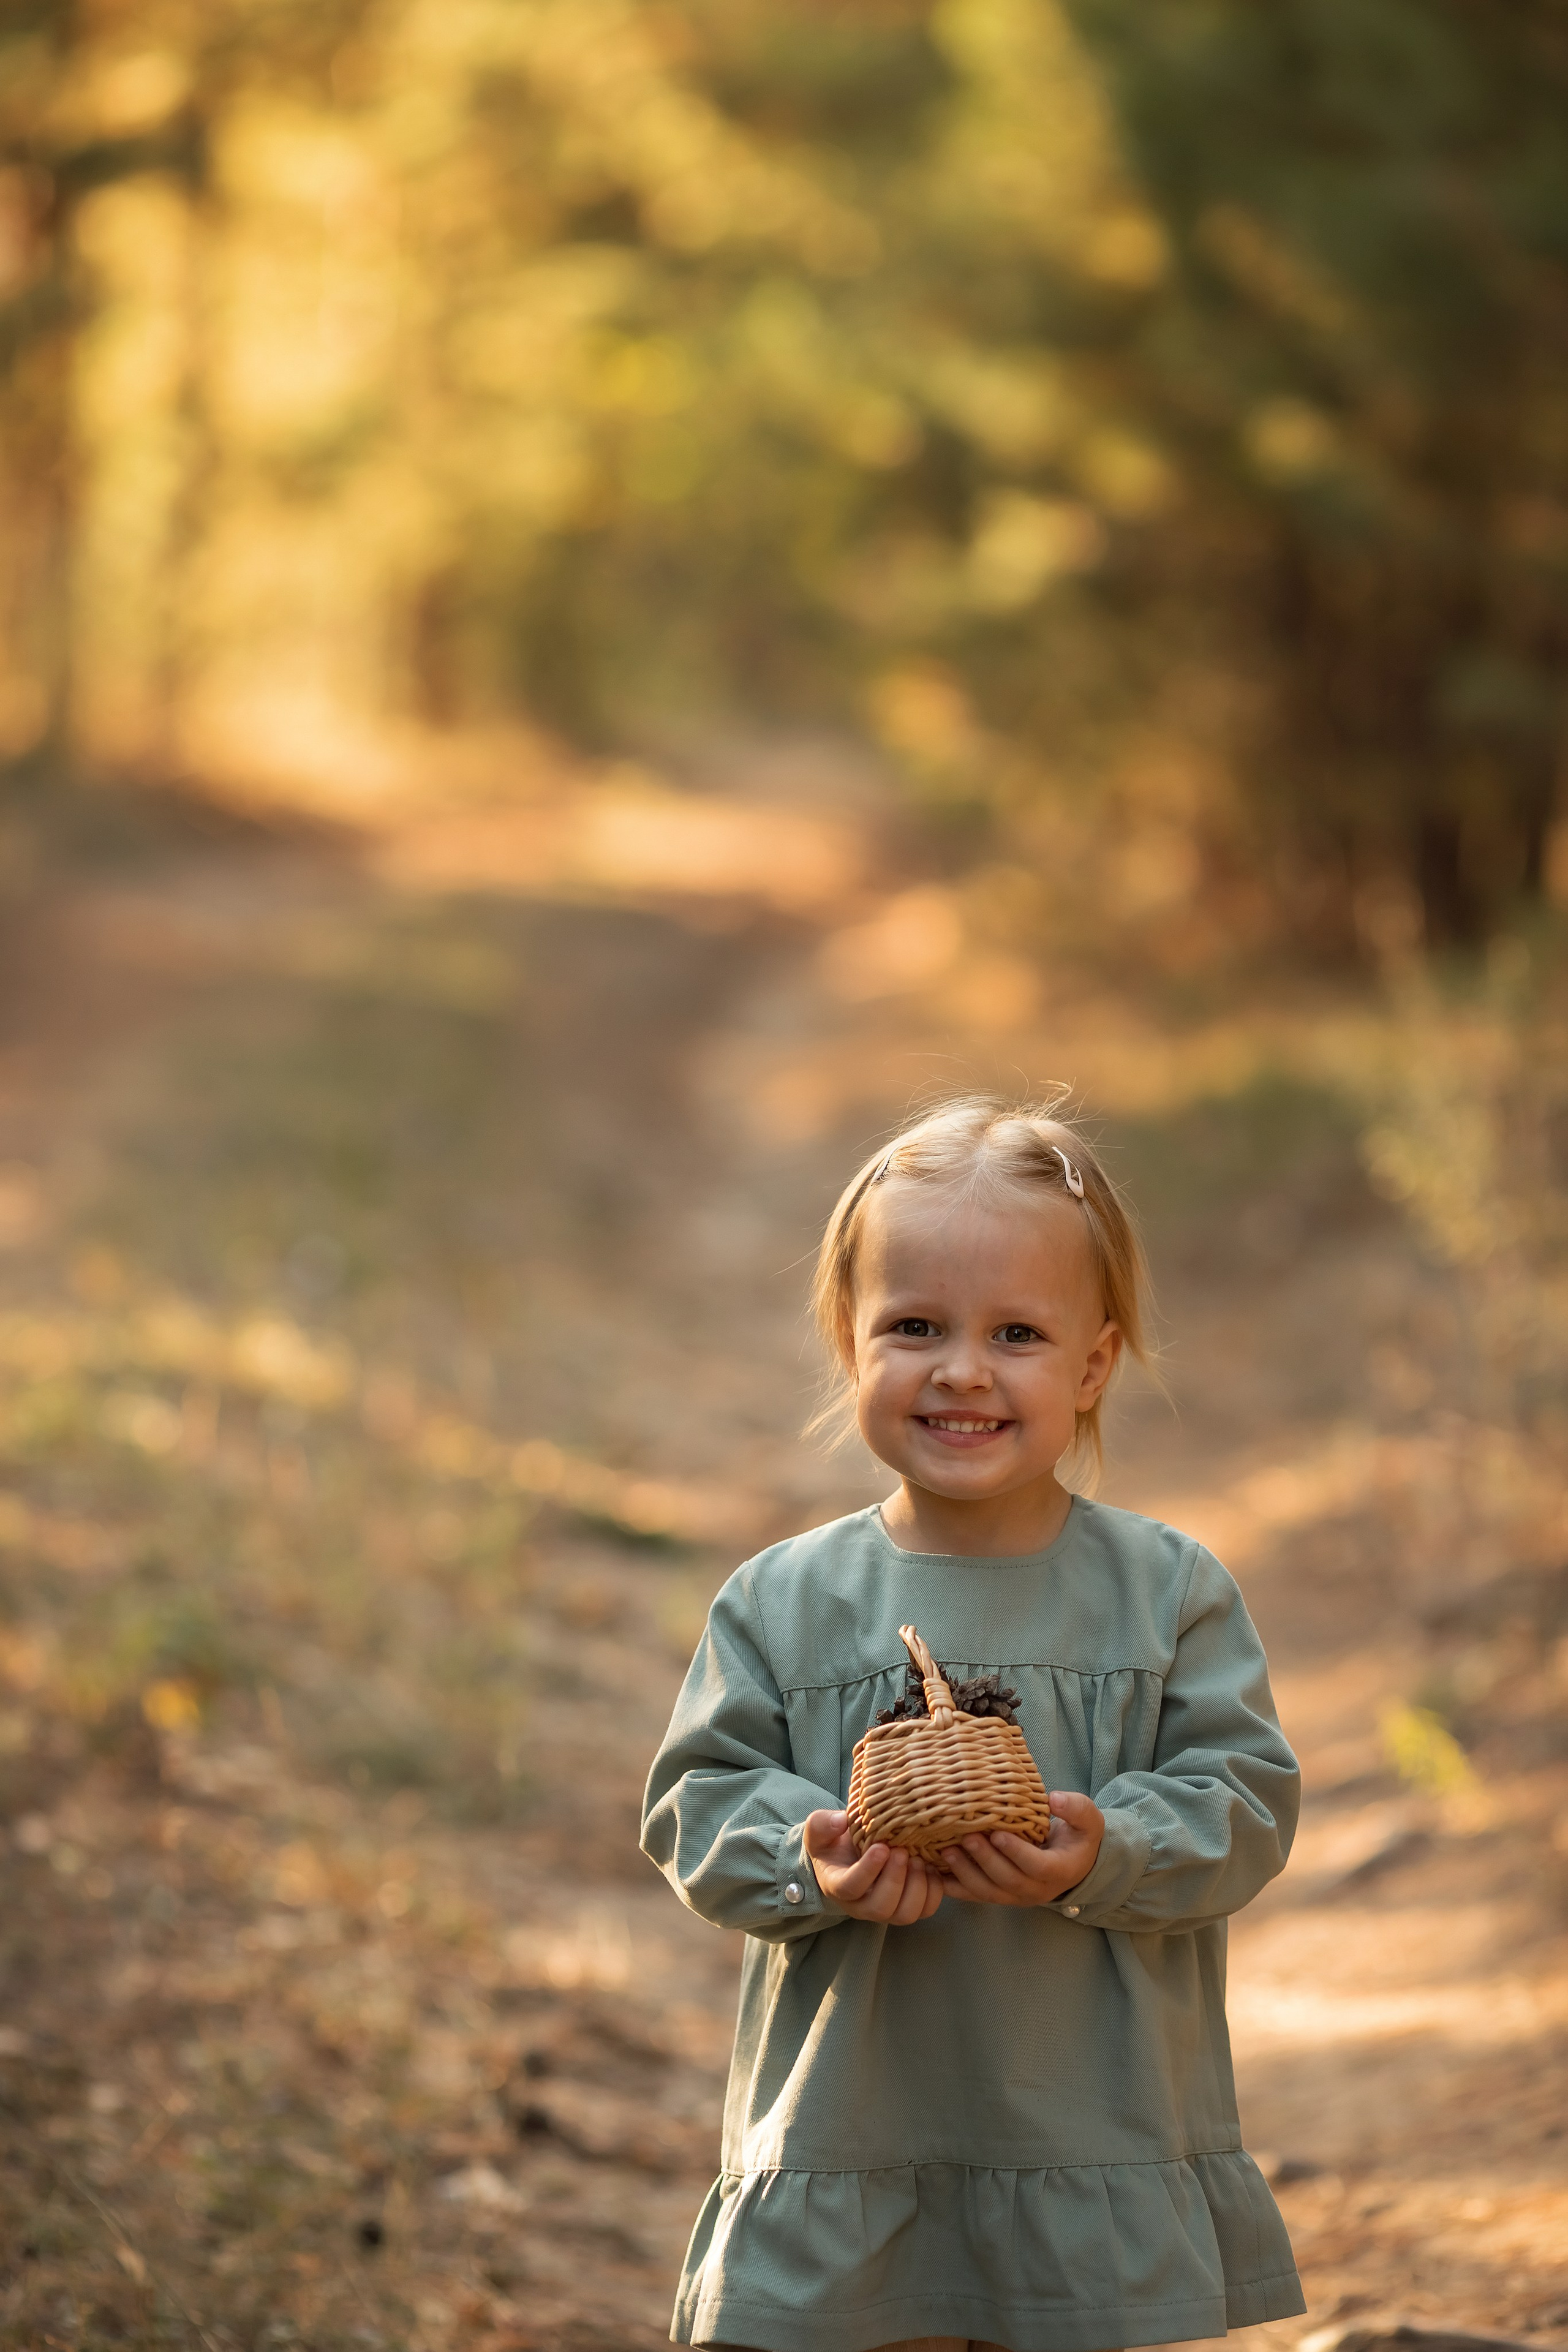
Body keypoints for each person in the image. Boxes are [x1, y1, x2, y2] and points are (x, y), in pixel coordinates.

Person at [641, 1096, 1305, 2352]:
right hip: (854, 2134)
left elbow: (1245, 1799)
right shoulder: (783, 1602)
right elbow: (697, 1801)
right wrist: (812, 1851)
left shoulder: (1162, 1593)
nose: (960, 1369)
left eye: (1015, 1332)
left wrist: (1105, 1843)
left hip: (1085, 2137)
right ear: (849, 1344)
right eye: (914, 1327)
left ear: (1092, 1364)